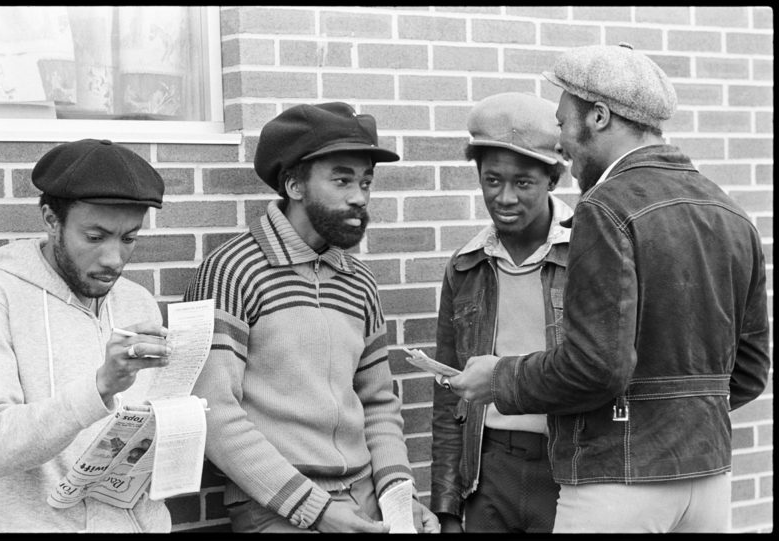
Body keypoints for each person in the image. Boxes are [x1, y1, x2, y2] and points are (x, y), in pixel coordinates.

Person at [447, 43, 771, 533]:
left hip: (617, 480)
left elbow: (595, 367)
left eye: (562, 125)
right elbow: (748, 372)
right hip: (707, 480)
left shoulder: (605, 207)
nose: (562, 146)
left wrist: (500, 379)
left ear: (597, 116)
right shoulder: (729, 210)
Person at [183, 102, 440, 534]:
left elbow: (378, 402)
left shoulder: (359, 281)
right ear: (294, 185)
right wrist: (316, 510)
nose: (359, 196)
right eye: (341, 179)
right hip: (276, 506)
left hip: (366, 497)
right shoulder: (230, 271)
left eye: (365, 182)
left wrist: (400, 498)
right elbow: (212, 413)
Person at [0, 139, 173, 532]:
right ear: (51, 220)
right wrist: (101, 386)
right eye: (95, 237)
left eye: (129, 238)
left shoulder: (137, 301)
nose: (114, 259)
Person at [429, 92, 571, 533]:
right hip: (488, 474)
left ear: (553, 179)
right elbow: (450, 392)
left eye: (523, 182)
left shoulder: (591, 254)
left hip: (569, 472)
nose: (505, 197)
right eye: (492, 180)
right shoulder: (466, 265)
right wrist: (448, 507)